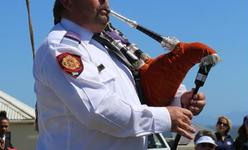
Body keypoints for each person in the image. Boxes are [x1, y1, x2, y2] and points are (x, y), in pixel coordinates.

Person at [33, 0, 207, 149]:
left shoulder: (109, 45)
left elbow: (140, 94)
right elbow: (98, 111)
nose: (105, 1)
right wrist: (166, 117)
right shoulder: (62, 48)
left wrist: (178, 101)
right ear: (67, 1)